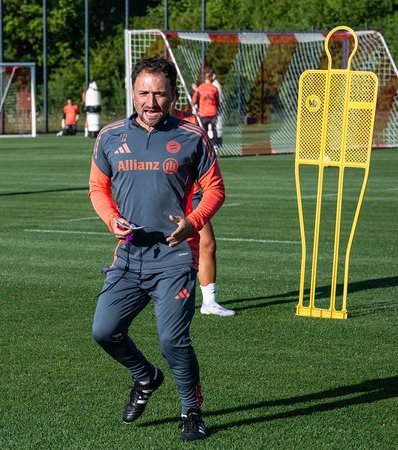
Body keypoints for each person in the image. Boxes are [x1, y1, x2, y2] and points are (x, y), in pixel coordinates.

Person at [89, 56, 225, 442]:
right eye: (143, 93)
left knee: (172, 340)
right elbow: (98, 187)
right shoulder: (111, 136)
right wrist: (111, 219)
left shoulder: (191, 135)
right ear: (132, 93)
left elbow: (215, 190)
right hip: (129, 258)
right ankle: (145, 377)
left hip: (175, 259)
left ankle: (191, 410)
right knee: (105, 331)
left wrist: (193, 222)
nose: (151, 102)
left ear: (172, 95)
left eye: (159, 94)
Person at [171, 107, 234, 317]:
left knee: (207, 242)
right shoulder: (148, 121)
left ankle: (209, 302)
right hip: (165, 191)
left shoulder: (191, 119)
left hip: (193, 191)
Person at [191, 69, 220, 145]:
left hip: (203, 113)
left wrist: (195, 108)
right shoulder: (215, 89)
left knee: (203, 131)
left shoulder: (200, 88)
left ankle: (205, 146)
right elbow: (217, 102)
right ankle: (214, 146)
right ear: (212, 77)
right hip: (213, 113)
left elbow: (194, 100)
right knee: (213, 130)